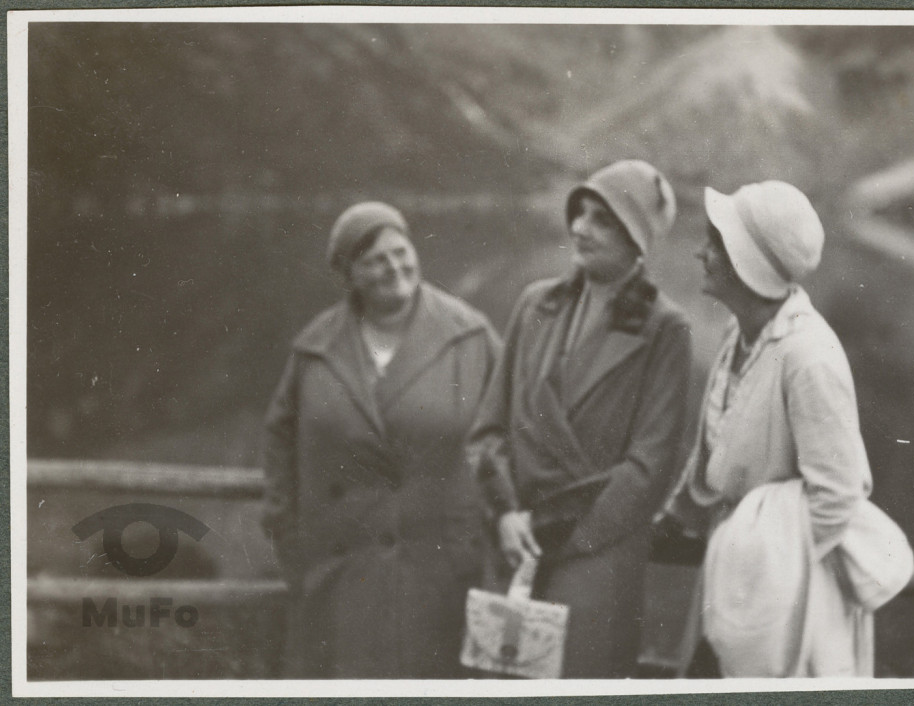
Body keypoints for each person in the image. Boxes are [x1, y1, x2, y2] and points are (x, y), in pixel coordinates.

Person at [466, 160, 693, 678]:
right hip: (514, 546)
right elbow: (487, 431)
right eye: (580, 213)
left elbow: (649, 468)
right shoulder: (534, 305)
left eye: (602, 220)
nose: (579, 229)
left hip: (595, 556)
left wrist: (549, 530)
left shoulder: (665, 329)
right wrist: (503, 513)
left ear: (638, 240)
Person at [261, 201, 500, 678]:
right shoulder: (315, 347)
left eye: (401, 251)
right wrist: (295, 550)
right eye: (374, 260)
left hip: (444, 582)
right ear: (350, 276)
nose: (395, 268)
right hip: (342, 583)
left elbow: (512, 431)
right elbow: (279, 443)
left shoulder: (470, 337)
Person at [657, 181, 874, 677]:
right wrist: (681, 515)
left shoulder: (809, 357)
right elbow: (718, 445)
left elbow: (838, 494)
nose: (700, 253)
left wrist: (762, 560)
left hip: (784, 597)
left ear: (743, 260)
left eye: (715, 243)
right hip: (734, 575)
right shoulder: (742, 333)